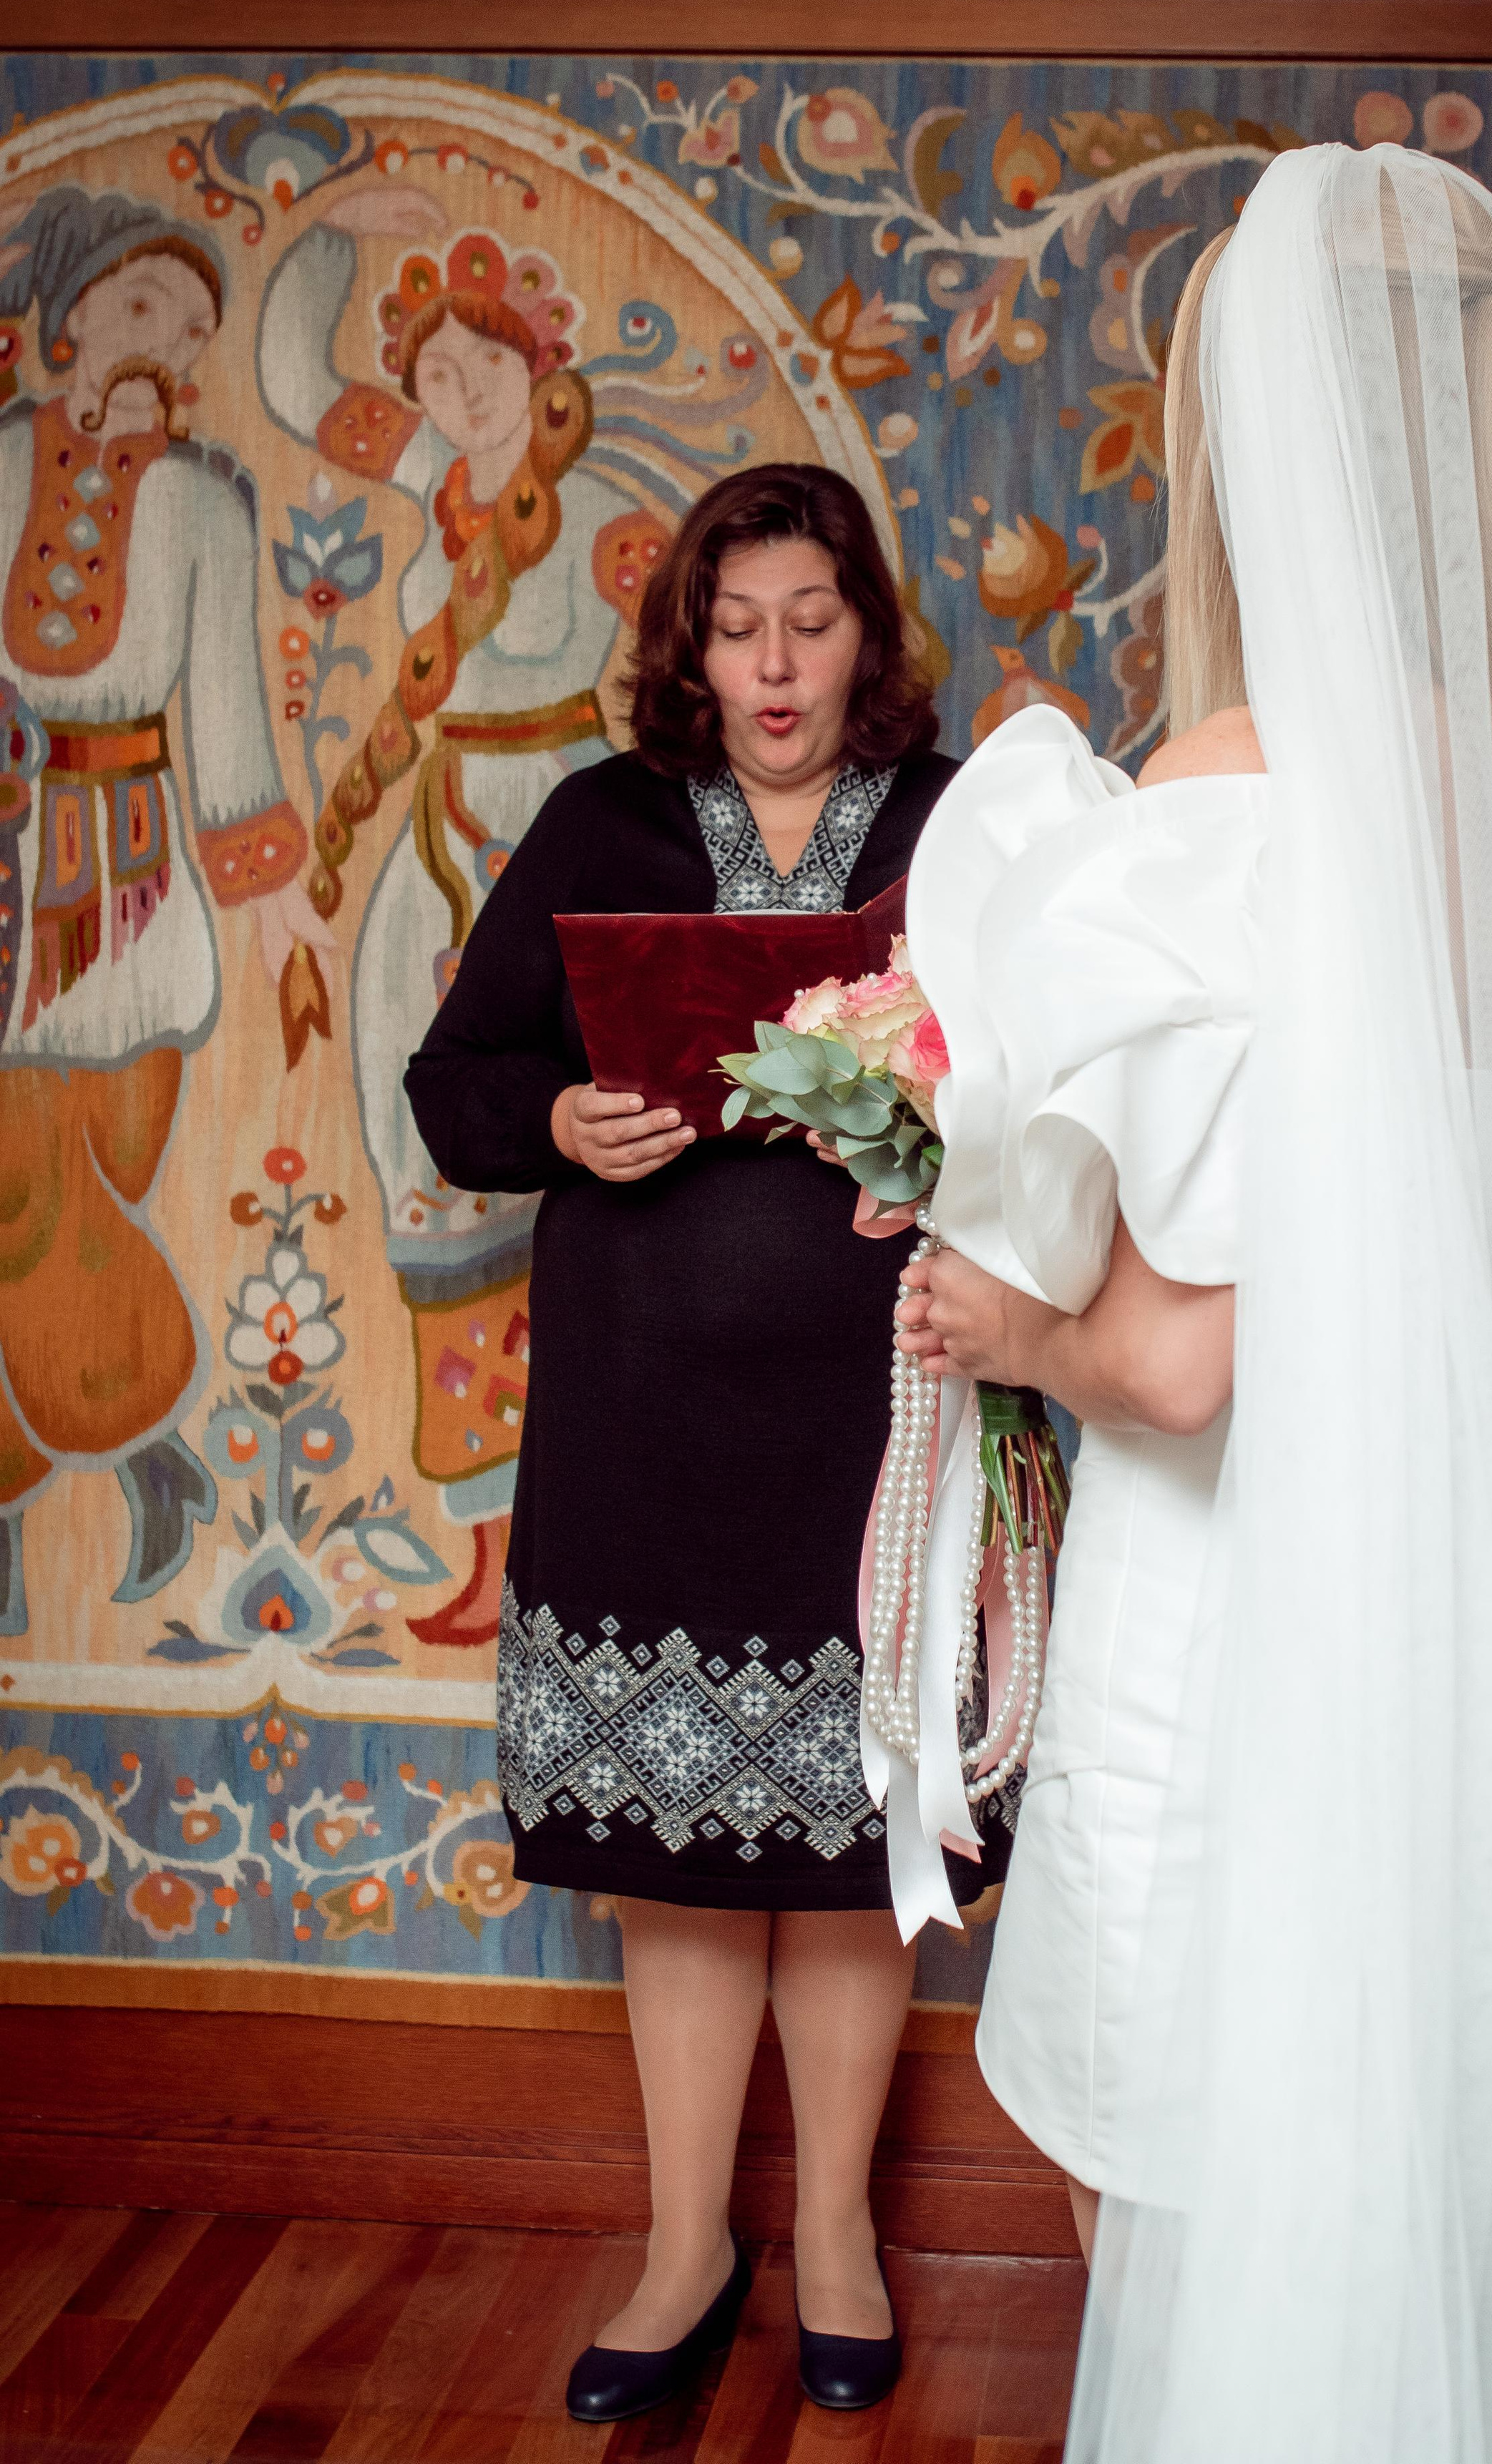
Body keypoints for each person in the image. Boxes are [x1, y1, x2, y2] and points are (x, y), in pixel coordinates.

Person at [896, 149, 1492, 2462]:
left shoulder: (1220, 800)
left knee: (1186, 2212)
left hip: (1234, 1660)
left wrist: (1004, 1328)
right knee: (1412, 2194)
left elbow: (1187, 1364)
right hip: (1465, 1645)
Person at [404, 461, 1018, 2424]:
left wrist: (956, 1151)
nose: (772, 666)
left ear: (864, 639)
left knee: (850, 1848)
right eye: (737, 627)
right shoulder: (601, 821)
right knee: (673, 1864)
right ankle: (687, 2251)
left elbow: (1056, 1093)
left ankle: (833, 2235)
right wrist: (559, 1120)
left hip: (881, 1418)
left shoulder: (954, 830)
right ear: (692, 645)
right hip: (640, 1422)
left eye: (809, 626)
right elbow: (454, 1081)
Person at [258, 187, 650, 1641]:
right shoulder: (435, 482)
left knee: (614, 1179)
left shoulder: (598, 513)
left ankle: (606, 1536)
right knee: (425, 1167)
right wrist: (324, 220)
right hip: (437, 852)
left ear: (539, 370)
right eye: (436, 373)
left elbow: (705, 649)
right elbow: (294, 386)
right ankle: (488, 1549)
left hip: (569, 846)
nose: (462, 392)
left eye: (485, 364)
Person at [0, 184, 330, 1631]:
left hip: (141, 897)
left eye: (192, 328)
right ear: (71, 319)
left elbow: (230, 714)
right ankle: (146, 1443)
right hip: (10, 874)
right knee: (25, 1199)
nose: (166, 343)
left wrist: (271, 900)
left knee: (95, 1185)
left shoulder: (202, 500)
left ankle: (15, 1521)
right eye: (142, 305)